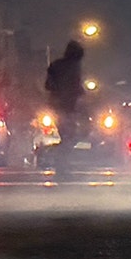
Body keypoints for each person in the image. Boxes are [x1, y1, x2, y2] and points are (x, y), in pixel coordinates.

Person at [45, 40, 86, 169]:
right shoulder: (74, 67)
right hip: (68, 107)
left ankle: (61, 160)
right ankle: (61, 159)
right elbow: (76, 86)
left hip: (58, 106)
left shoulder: (55, 65)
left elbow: (48, 85)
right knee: (71, 134)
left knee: (67, 134)